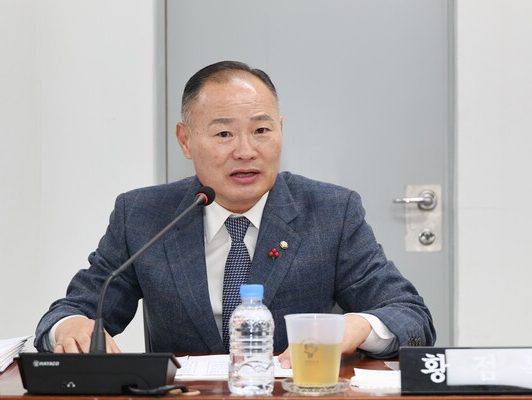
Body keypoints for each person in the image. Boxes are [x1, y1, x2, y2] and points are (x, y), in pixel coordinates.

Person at [34, 60, 435, 362]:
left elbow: (411, 316)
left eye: (261, 130)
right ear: (185, 140)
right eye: (224, 133)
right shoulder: (143, 214)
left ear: (280, 130)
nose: (246, 150)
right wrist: (70, 326)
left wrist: (357, 325)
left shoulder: (330, 212)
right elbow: (75, 309)